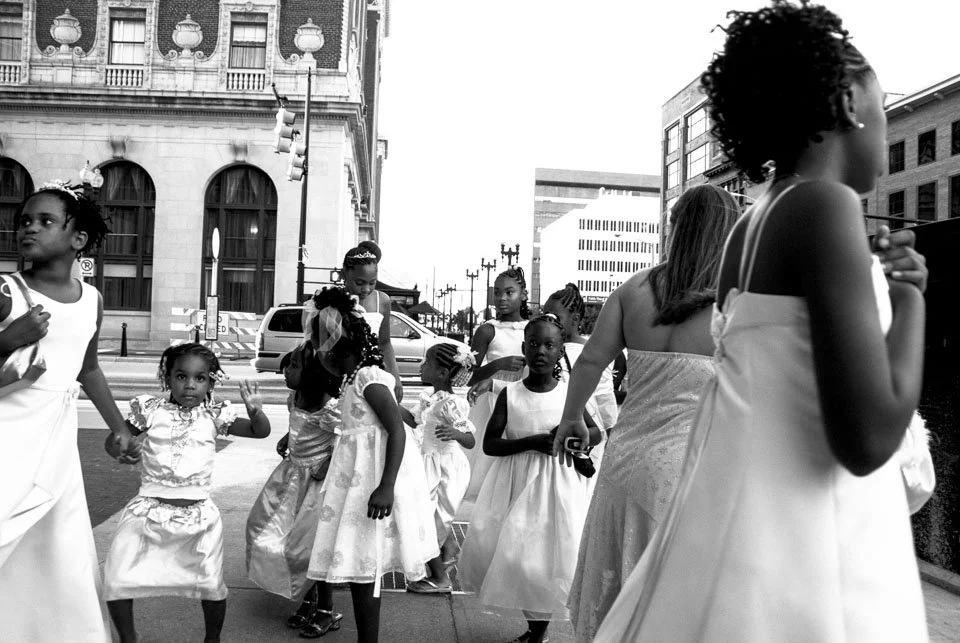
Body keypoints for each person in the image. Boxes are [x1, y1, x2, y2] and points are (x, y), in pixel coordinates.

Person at [595, 2, 928, 640]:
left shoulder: (752, 223)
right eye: (886, 108)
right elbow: (867, 440)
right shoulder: (825, 207)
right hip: (809, 549)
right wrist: (911, 299)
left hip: (745, 528)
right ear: (851, 100)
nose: (887, 130)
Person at [556, 184, 740, 641]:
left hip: (626, 465)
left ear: (676, 227)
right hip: (694, 475)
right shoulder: (735, 301)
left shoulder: (634, 289)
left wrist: (571, 417)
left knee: (617, 593)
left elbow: (591, 361)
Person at [0, 181, 136, 642]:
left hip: (55, 440)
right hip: (7, 437)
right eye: (24, 221)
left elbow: (89, 369)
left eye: (45, 221)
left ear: (78, 239)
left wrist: (119, 429)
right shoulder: (6, 292)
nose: (29, 229)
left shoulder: (92, 300)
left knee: (57, 546)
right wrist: (7, 339)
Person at [103, 343, 271, 643]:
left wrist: (256, 412)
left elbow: (260, 432)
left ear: (210, 382)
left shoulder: (214, 415)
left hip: (199, 518)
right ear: (167, 378)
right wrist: (121, 447)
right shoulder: (151, 410)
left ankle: (212, 638)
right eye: (181, 376)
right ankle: (128, 638)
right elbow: (115, 440)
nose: (190, 385)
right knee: (117, 576)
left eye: (200, 378)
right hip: (147, 511)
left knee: (210, 584)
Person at [305, 287, 437, 643]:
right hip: (354, 478)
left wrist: (387, 486)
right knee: (360, 567)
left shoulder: (367, 378)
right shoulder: (352, 379)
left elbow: (395, 429)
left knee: (365, 567)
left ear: (340, 345)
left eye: (323, 342)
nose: (319, 350)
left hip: (372, 482)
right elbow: (395, 419)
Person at [459, 314, 602, 643]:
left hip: (557, 489)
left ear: (558, 352)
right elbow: (491, 443)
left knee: (545, 559)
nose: (540, 350)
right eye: (534, 344)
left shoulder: (569, 394)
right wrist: (529, 443)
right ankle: (536, 629)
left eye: (549, 345)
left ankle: (538, 632)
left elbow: (594, 432)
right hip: (517, 486)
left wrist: (573, 436)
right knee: (518, 557)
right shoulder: (511, 395)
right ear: (524, 348)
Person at [245, 345, 344, 639]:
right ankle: (308, 599)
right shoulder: (295, 398)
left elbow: (345, 440)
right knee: (263, 531)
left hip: (315, 485)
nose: (286, 370)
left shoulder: (330, 407)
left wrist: (328, 462)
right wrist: (288, 438)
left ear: (313, 372)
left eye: (294, 365)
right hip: (289, 478)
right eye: (286, 366)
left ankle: (326, 609)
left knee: (311, 547)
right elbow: (299, 425)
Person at [401, 343, 477, 594]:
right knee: (425, 515)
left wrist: (455, 432)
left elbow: (469, 439)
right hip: (427, 465)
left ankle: (441, 579)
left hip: (446, 469)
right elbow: (412, 420)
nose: (422, 366)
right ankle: (449, 548)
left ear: (443, 373)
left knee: (430, 520)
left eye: (427, 363)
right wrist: (389, 402)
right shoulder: (431, 398)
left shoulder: (453, 403)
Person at [464, 266, 530, 500]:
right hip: (491, 404)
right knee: (489, 475)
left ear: (523, 294)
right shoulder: (487, 331)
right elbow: (468, 376)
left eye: (509, 292)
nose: (502, 298)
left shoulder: (533, 328)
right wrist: (498, 364)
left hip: (523, 400)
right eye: (497, 293)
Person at [341, 240, 403, 401]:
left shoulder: (382, 300)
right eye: (359, 283)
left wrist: (395, 377)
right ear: (345, 274)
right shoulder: (333, 300)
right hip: (340, 373)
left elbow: (384, 342)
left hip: (373, 375)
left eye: (372, 283)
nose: (366, 289)